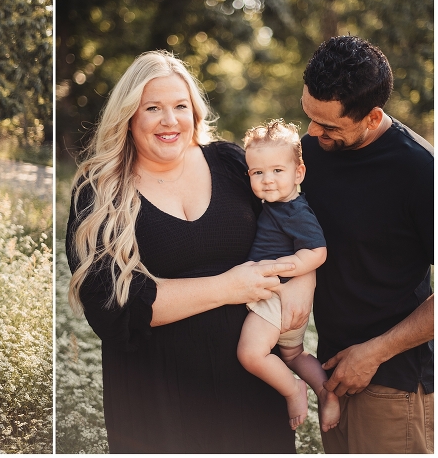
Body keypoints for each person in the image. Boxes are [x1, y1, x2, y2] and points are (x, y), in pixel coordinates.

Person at [66, 50, 311, 453]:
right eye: (153, 108)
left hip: (250, 395)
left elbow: (298, 224)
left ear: (195, 111)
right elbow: (113, 306)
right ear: (129, 116)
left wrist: (302, 282)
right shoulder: (100, 192)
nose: (169, 120)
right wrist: (228, 287)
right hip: (157, 407)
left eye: (180, 106)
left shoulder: (233, 164)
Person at [300, 35, 433, 453]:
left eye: (328, 126)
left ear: (373, 117)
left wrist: (374, 353)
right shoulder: (308, 151)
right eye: (308, 115)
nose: (312, 131)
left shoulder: (420, 170)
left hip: (393, 387)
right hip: (331, 379)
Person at [236, 119, 339, 432]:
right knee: (293, 354)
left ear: (299, 173)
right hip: (280, 300)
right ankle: (325, 391)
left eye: (277, 171)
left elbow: (317, 251)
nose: (267, 180)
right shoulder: (279, 204)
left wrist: (282, 269)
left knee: (251, 354)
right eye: (258, 172)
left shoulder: (295, 211)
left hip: (276, 299)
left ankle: (293, 389)